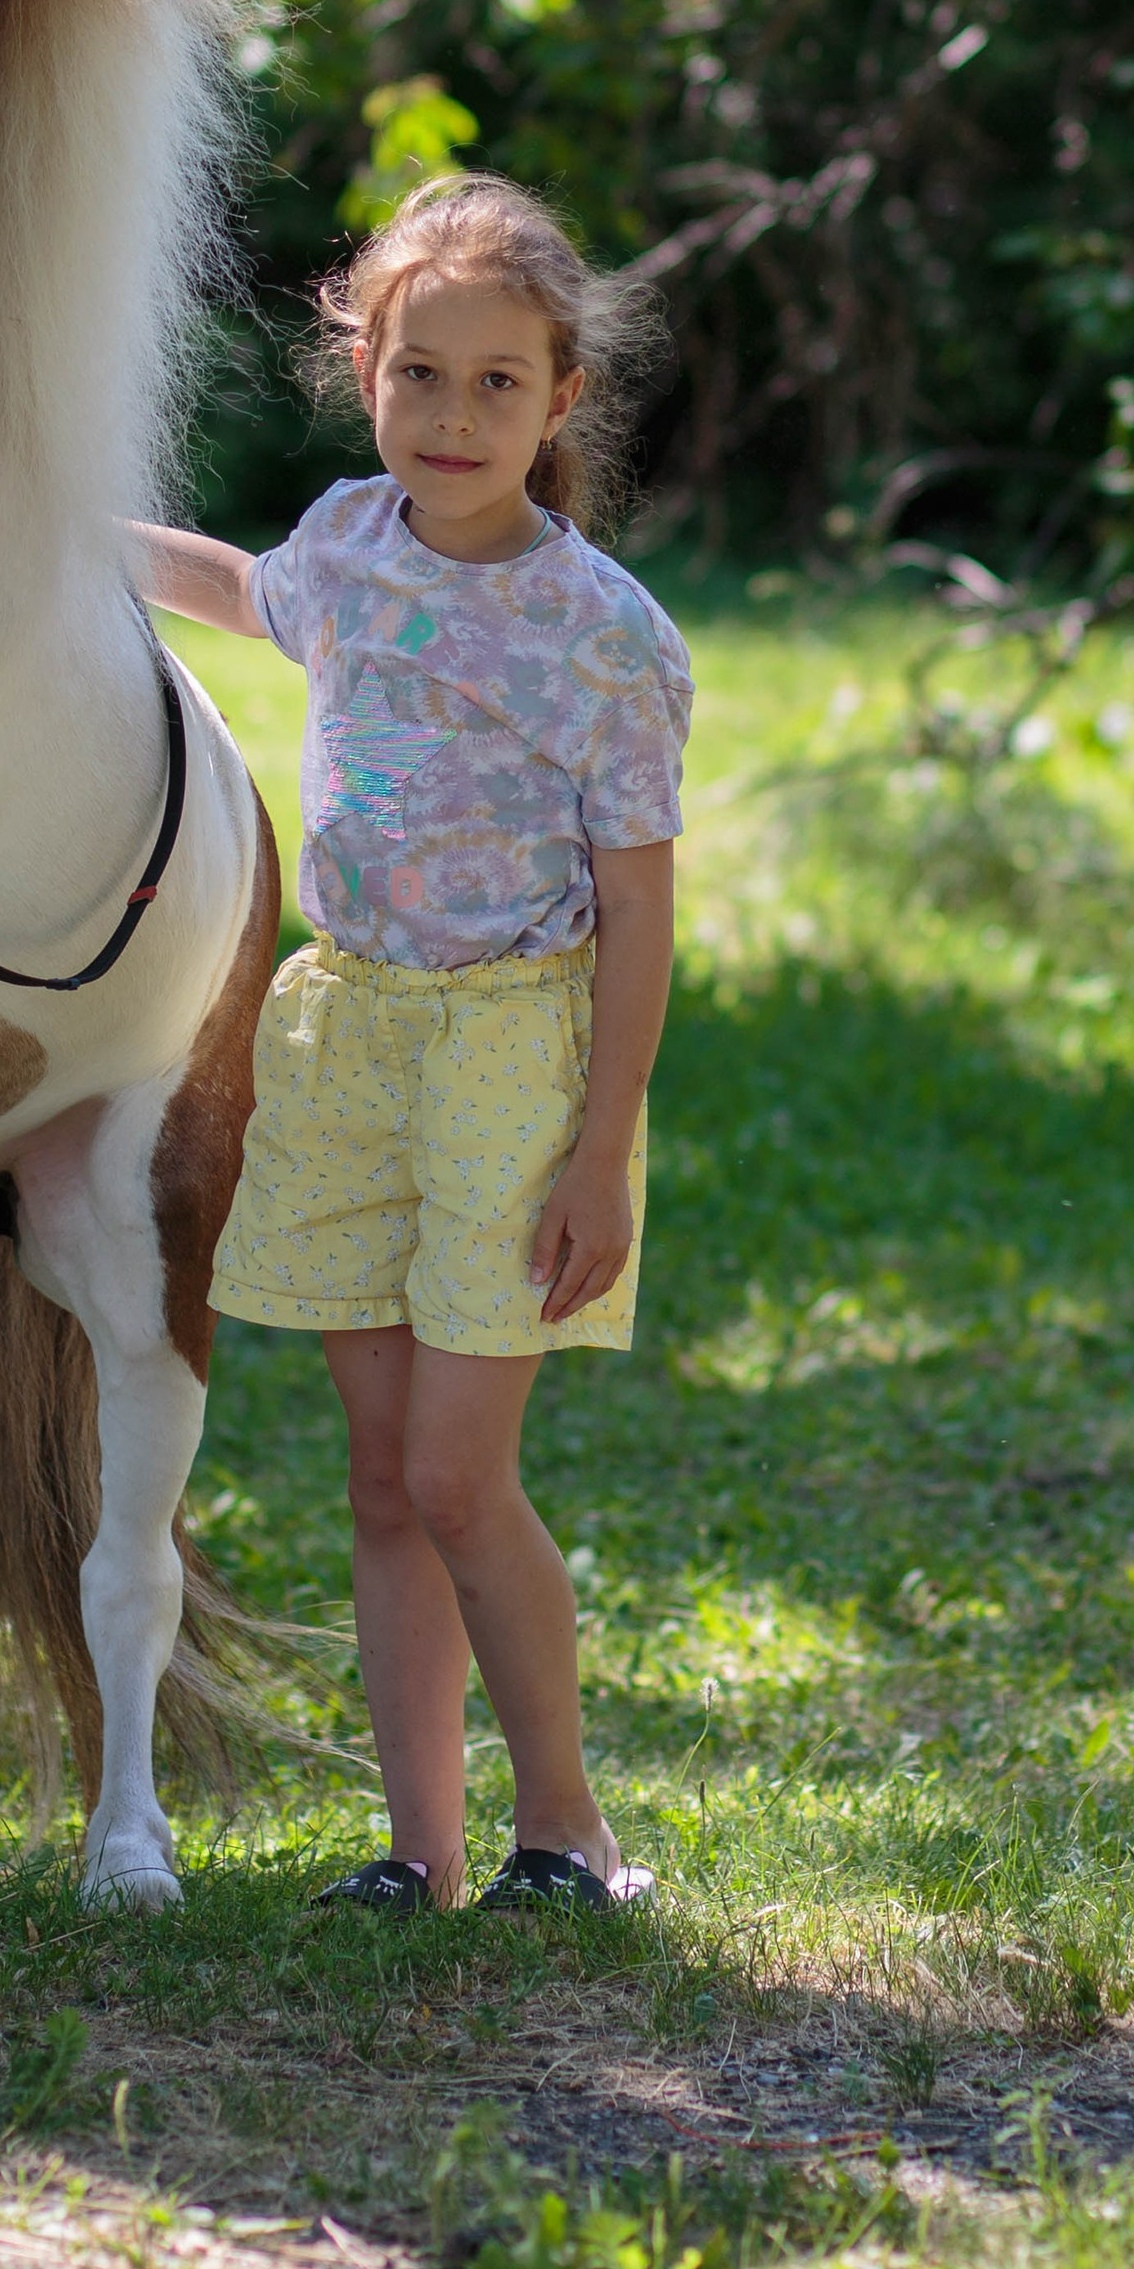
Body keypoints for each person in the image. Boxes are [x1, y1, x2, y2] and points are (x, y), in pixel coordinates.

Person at [125, 175, 690, 1912]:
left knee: (456, 1470)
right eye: (417, 373)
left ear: (558, 400)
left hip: (518, 1053)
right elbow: (249, 598)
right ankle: (420, 1859)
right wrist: (62, 524)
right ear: (360, 368)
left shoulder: (602, 637)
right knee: (382, 1480)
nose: (452, 418)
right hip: (349, 1032)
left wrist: (601, 1145)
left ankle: (566, 1831)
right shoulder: (350, 545)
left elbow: (642, 914)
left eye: (495, 384)